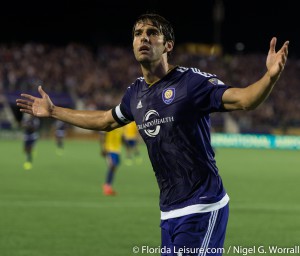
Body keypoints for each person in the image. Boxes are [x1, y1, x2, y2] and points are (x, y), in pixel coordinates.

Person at [16, 13, 289, 256]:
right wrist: (53, 111)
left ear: (167, 45)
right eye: (138, 34)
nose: (143, 38)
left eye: (152, 33)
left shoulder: (191, 83)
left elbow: (244, 100)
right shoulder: (135, 93)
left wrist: (270, 77)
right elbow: (105, 120)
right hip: (169, 211)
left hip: (202, 207)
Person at [99, 127, 124, 196]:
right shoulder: (110, 123)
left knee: (114, 167)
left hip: (117, 150)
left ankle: (109, 186)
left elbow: (121, 137)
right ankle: (107, 186)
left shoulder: (121, 125)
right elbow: (102, 134)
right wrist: (103, 148)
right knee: (112, 166)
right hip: (109, 149)